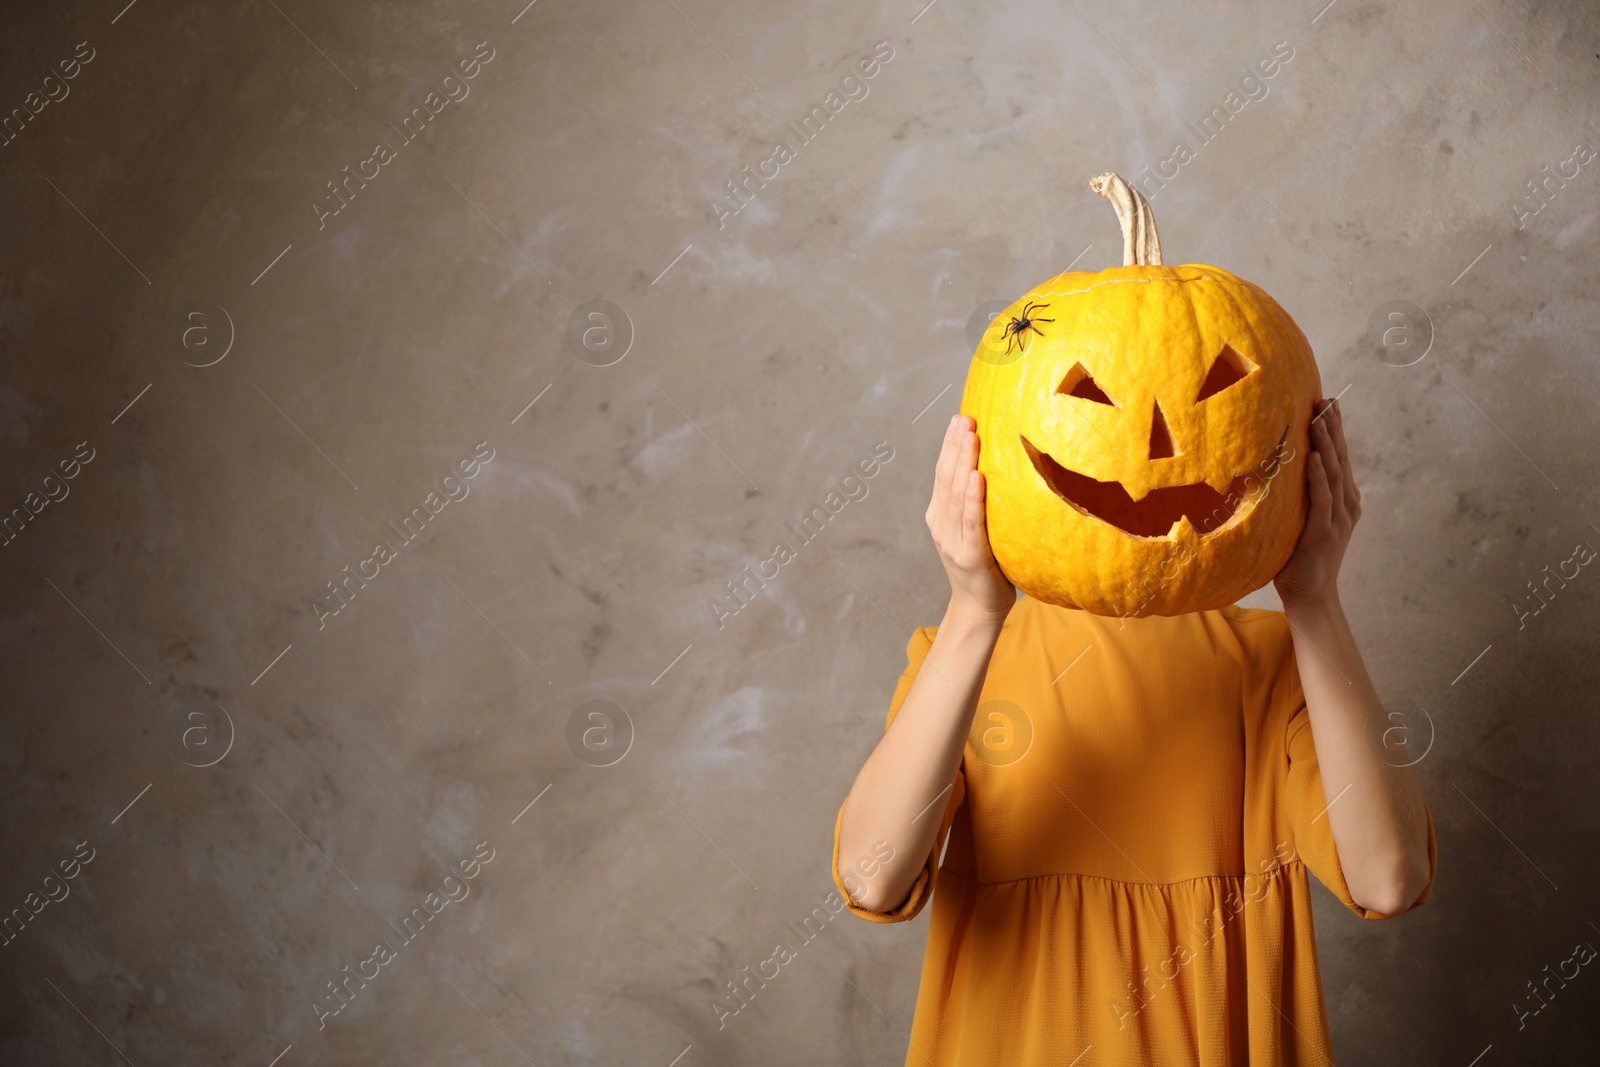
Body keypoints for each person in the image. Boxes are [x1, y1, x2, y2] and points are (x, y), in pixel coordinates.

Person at [832, 399, 1437, 1065]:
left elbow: (1389, 879)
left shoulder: (1281, 663)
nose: (1150, 449)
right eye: (1095, 404)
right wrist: (973, 611)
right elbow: (872, 878)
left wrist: (1315, 600)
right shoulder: (962, 661)